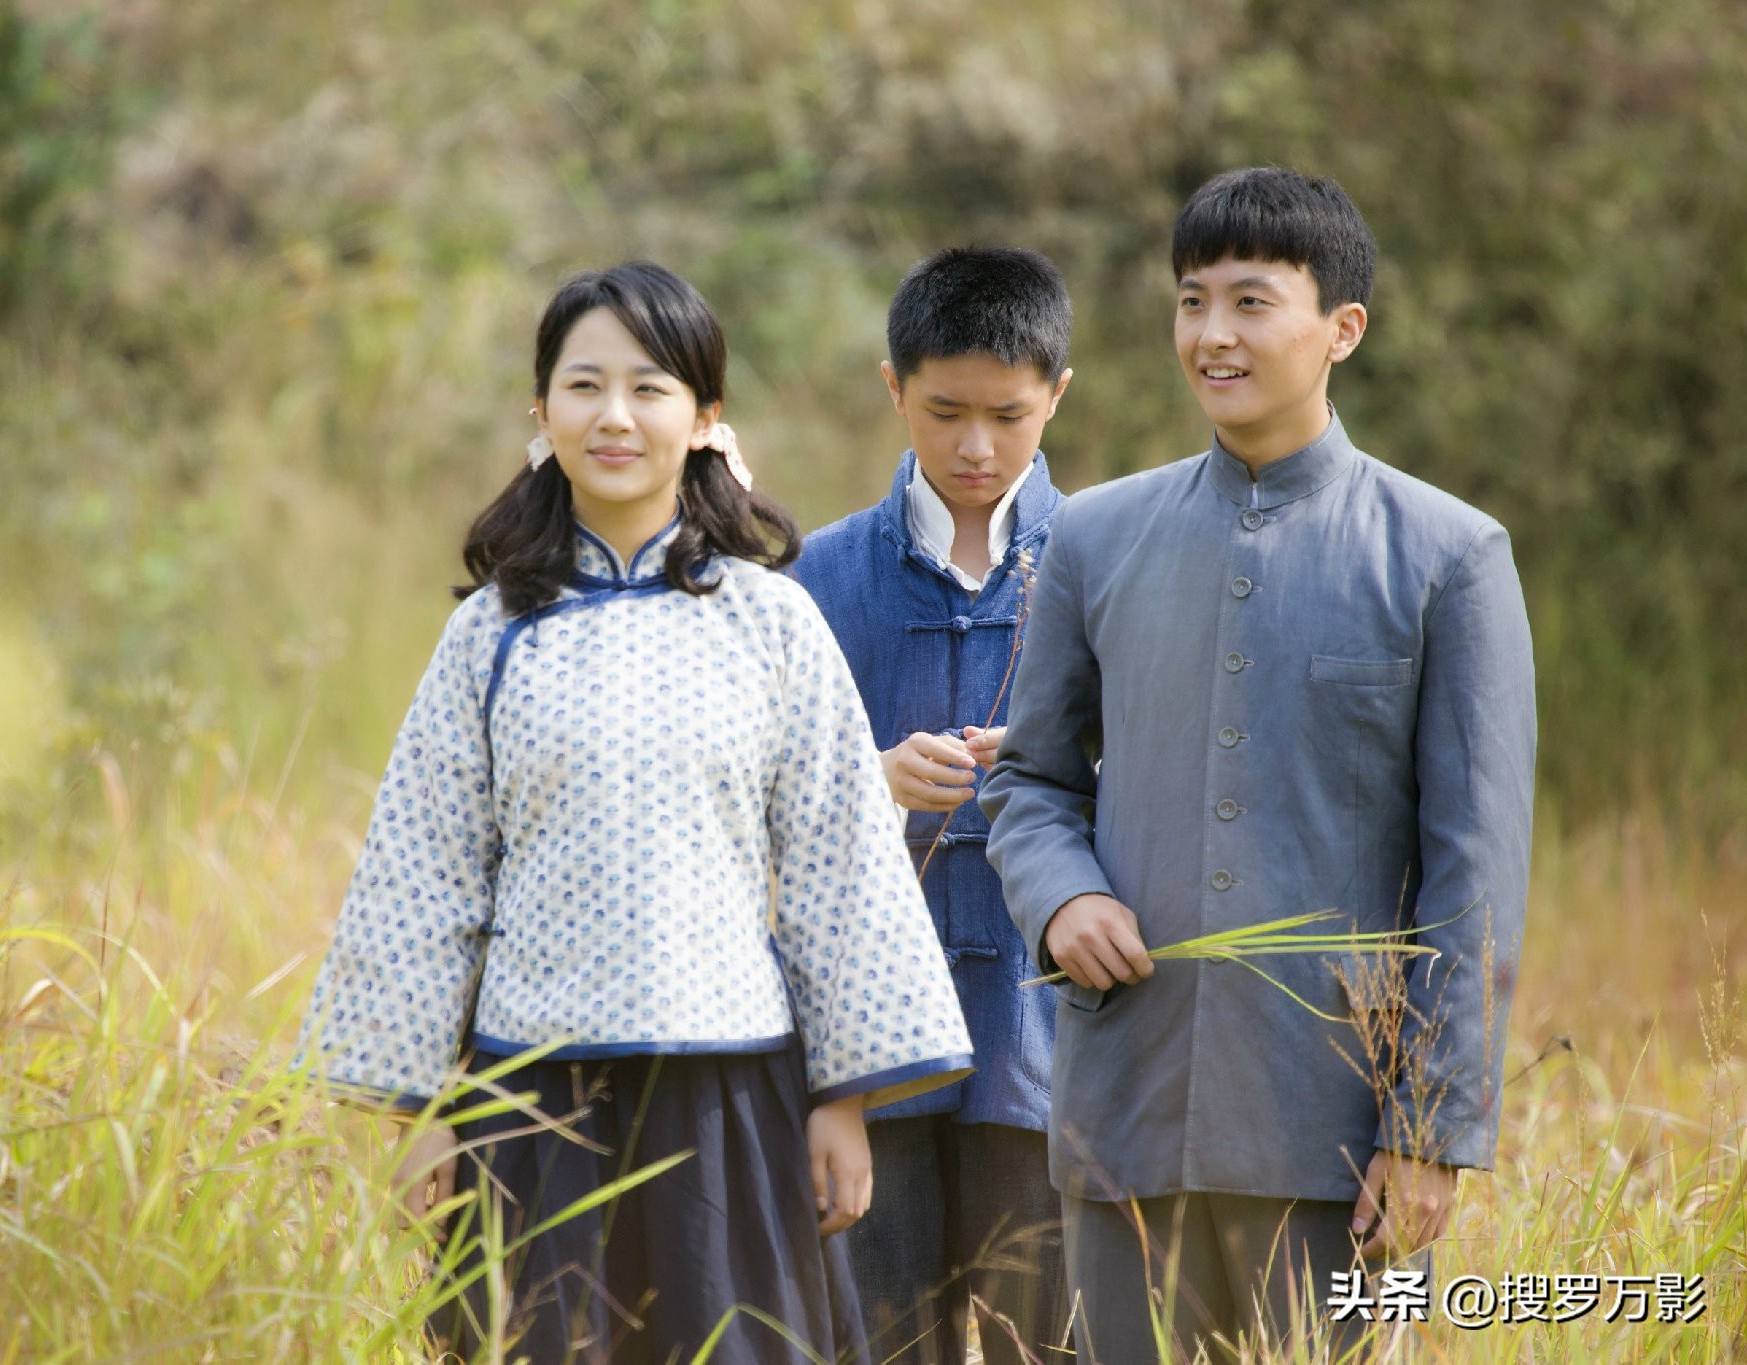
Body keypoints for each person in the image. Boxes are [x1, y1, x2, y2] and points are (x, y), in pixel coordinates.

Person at [296, 260, 974, 1364]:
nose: (614, 417)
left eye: (650, 388)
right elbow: (425, 866)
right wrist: (418, 1114)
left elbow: (838, 859)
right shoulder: (490, 633)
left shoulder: (771, 622)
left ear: (705, 418)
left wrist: (843, 1101)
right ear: (541, 411)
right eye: (584, 386)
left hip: (732, 1099)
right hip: (528, 1105)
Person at [983, 168, 1536, 1361]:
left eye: (1249, 301)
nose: (1212, 336)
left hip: (1339, 1131)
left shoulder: (1448, 555)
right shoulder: (1091, 535)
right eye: (1190, 302)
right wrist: (1060, 895)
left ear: (1341, 329)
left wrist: (1430, 1128)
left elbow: (1473, 877)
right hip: (1123, 1109)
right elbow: (1027, 782)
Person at [793, 246, 1074, 1363]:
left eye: (1008, 416)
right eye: (942, 410)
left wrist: (1054, 767)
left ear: (1058, 394)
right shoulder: (813, 577)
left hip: (1041, 1039)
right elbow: (758, 800)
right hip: (867, 1060)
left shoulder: (1107, 563)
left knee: (1039, 1341)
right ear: (891, 388)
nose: (974, 447)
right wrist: (869, 775)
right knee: (875, 1343)